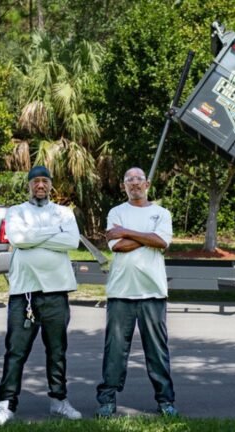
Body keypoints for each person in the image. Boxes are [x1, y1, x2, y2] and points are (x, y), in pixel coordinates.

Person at [0, 165, 82, 426]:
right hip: (24, 293)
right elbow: (17, 237)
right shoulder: (16, 211)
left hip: (56, 292)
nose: (40, 185)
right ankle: (6, 404)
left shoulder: (64, 212)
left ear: (51, 185)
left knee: (57, 350)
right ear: (29, 185)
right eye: (35, 181)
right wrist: (54, 233)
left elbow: (71, 241)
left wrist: (33, 237)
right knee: (16, 351)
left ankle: (59, 401)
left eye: (45, 181)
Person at [95, 167, 179, 417]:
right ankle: (107, 400)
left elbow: (162, 242)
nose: (134, 184)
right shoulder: (116, 212)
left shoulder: (161, 213)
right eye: (129, 181)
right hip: (121, 293)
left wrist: (128, 231)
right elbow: (118, 246)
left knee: (157, 351)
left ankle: (166, 401)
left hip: (153, 293)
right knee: (115, 351)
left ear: (147, 184)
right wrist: (147, 237)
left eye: (138, 180)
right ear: (124, 186)